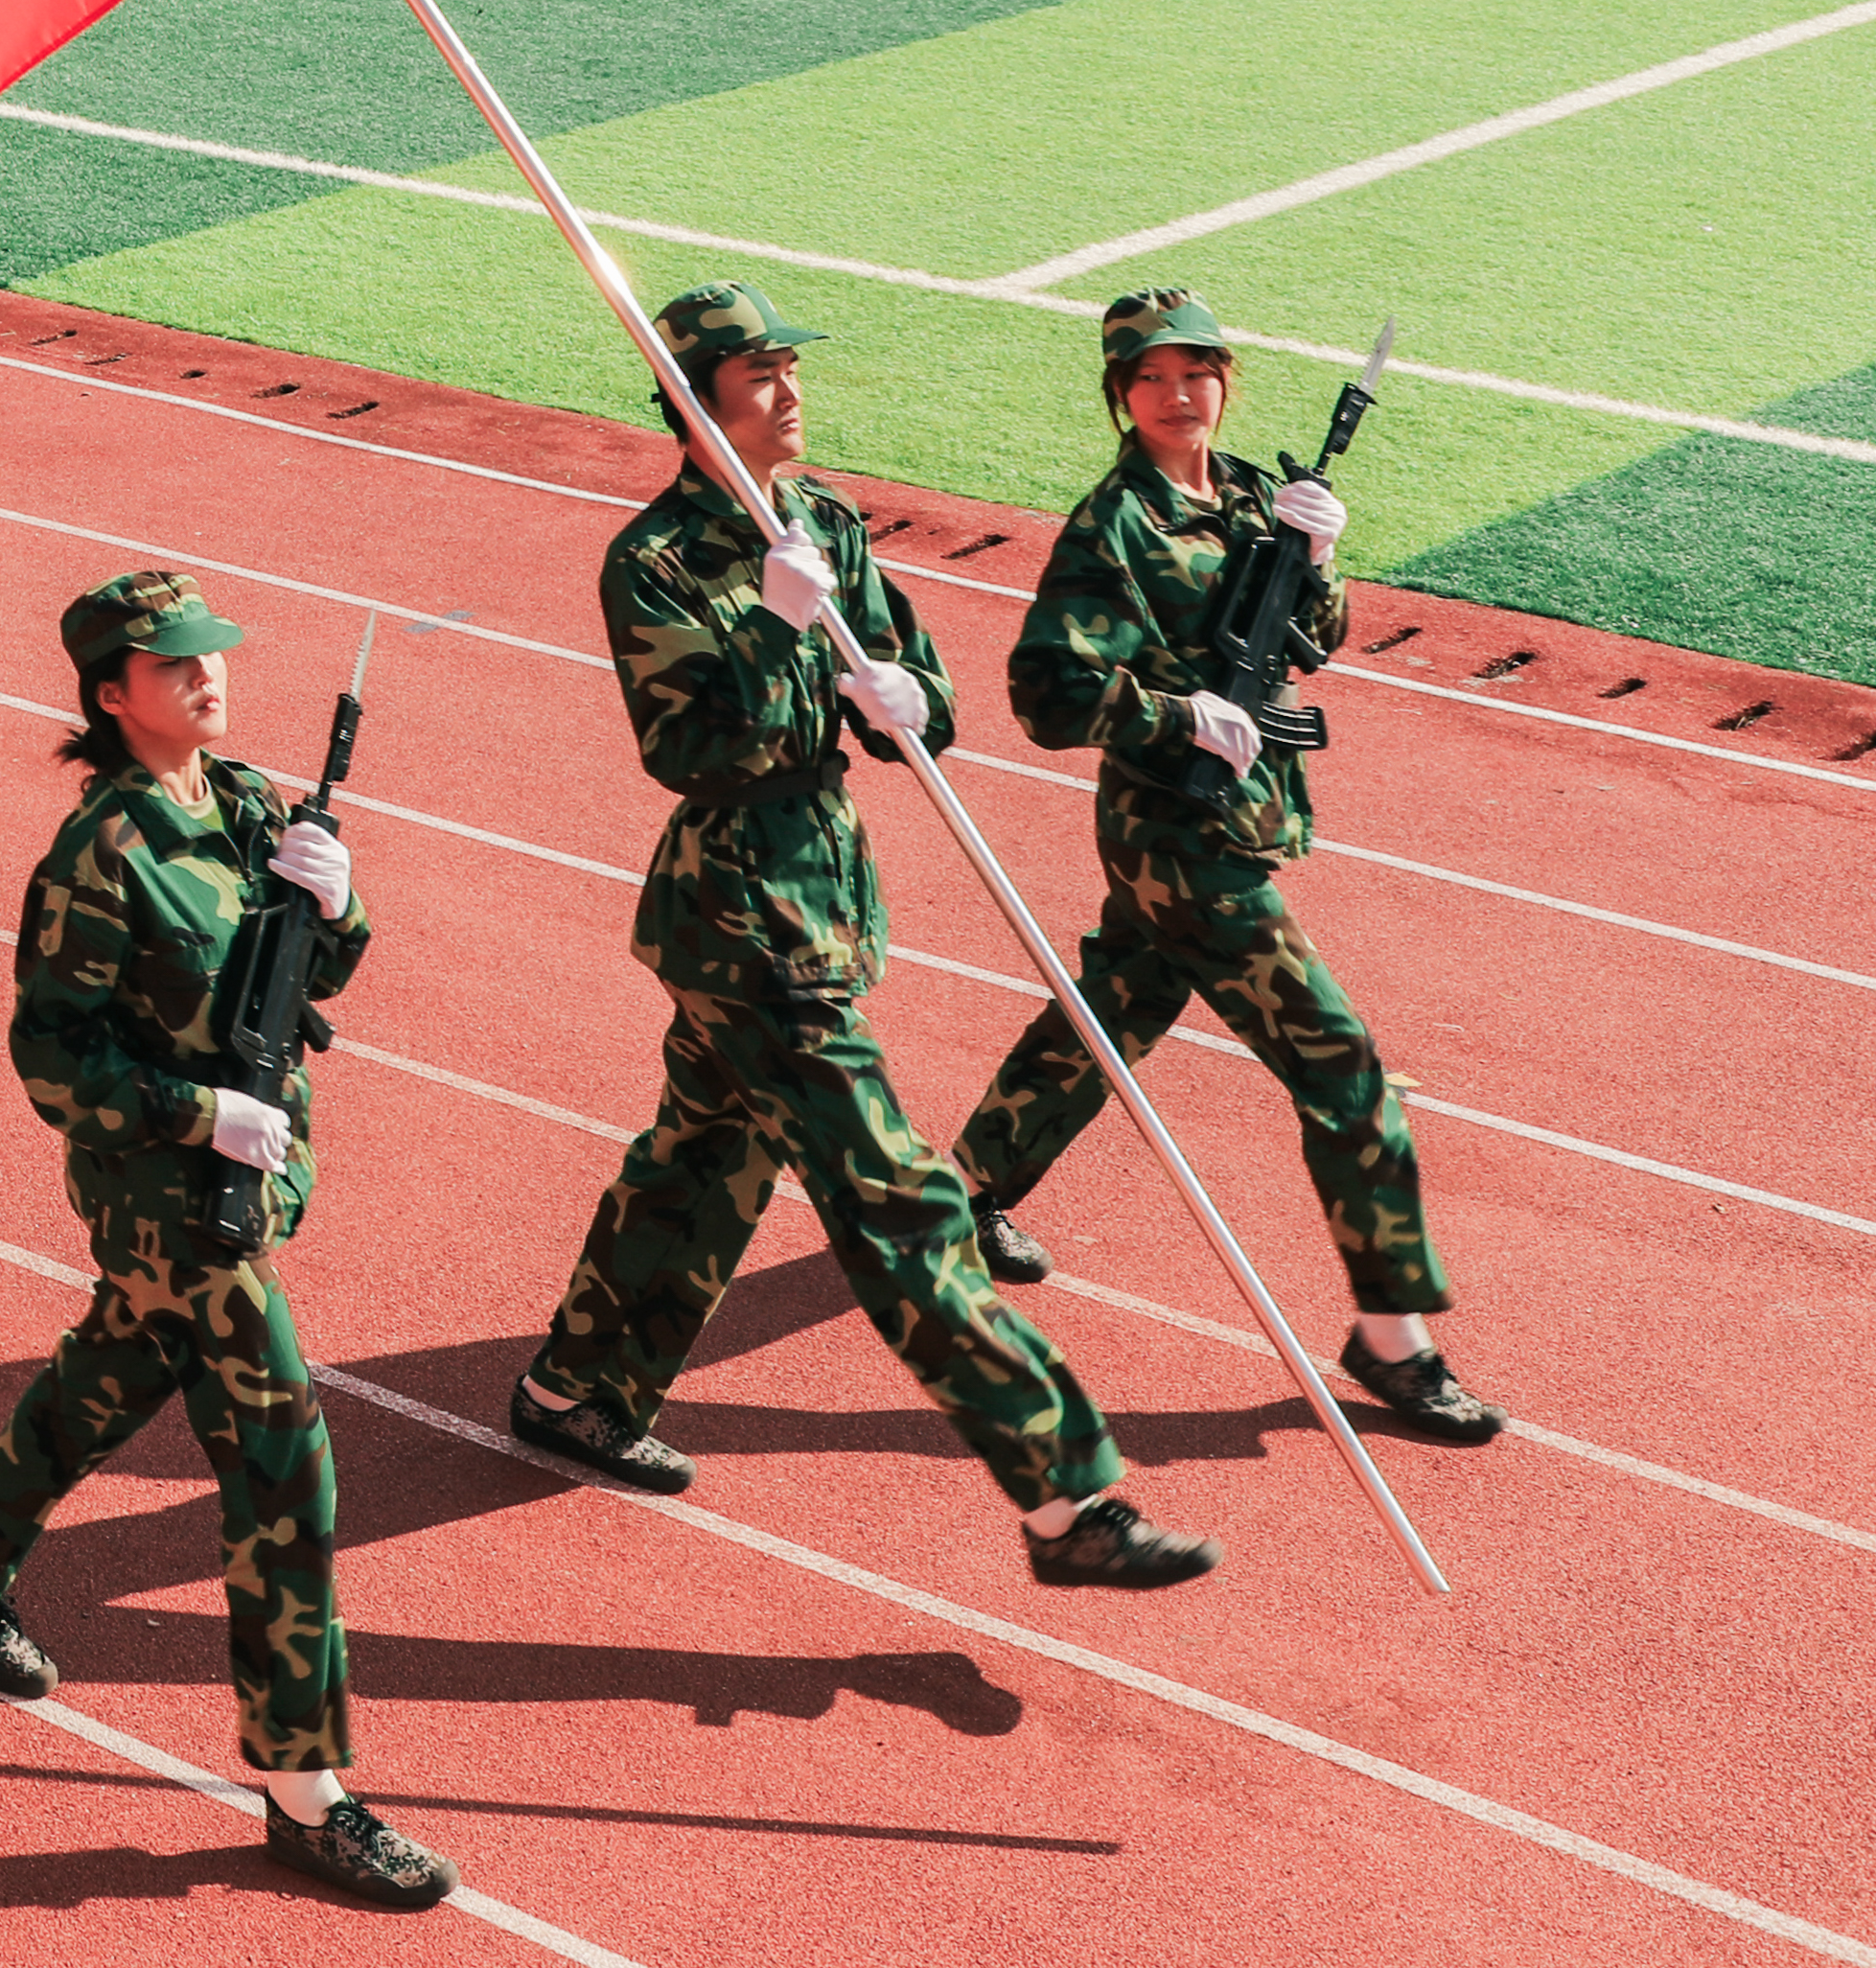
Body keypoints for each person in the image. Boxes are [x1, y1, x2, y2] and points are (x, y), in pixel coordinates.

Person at [507, 284, 1218, 1587]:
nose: (785, 390)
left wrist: (901, 702)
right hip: (739, 916)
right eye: (757, 374)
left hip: (818, 900)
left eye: (785, 367)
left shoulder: (822, 516)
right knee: (897, 1204)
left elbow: (920, 690)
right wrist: (778, 633)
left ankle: (572, 1385)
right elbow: (687, 748)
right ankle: (1068, 1496)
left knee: (702, 1156)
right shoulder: (654, 560)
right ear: (694, 399)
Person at [0, 569, 449, 1914]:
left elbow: (307, 974)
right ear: (110, 694)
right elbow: (47, 1054)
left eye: (206, 654)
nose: (203, 674)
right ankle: (303, 1789)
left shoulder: (259, 799)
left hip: (238, 1177)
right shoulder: (100, 850)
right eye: (169, 663)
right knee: (283, 1471)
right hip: (163, 1194)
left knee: (110, 1370)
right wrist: (190, 1108)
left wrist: (339, 899)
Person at [944, 290, 1500, 1445]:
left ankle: (960, 1197)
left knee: (1114, 1013)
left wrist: (1321, 552)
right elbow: (1047, 693)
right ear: (1122, 395)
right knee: (1344, 1075)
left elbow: (1312, 639)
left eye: (1197, 370)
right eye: (1152, 376)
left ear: (1224, 382)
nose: (1178, 391)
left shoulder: (1251, 493)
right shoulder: (1113, 530)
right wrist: (1177, 714)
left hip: (1235, 817)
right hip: (1175, 835)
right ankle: (1392, 1334)